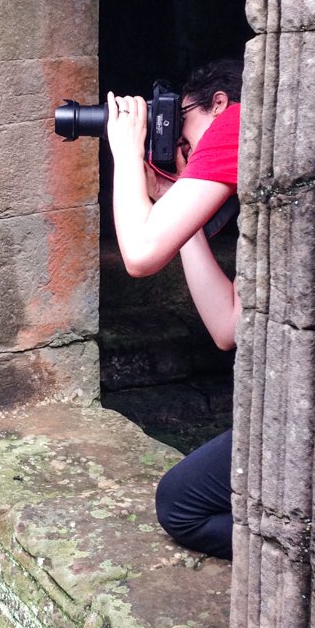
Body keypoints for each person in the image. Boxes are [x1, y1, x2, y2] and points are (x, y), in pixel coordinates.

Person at [106, 59, 242, 559]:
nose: (180, 148)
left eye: (181, 123)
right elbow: (227, 328)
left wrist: (124, 152)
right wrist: (171, 202)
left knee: (181, 505)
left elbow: (139, 257)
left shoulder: (238, 123)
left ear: (219, 104)